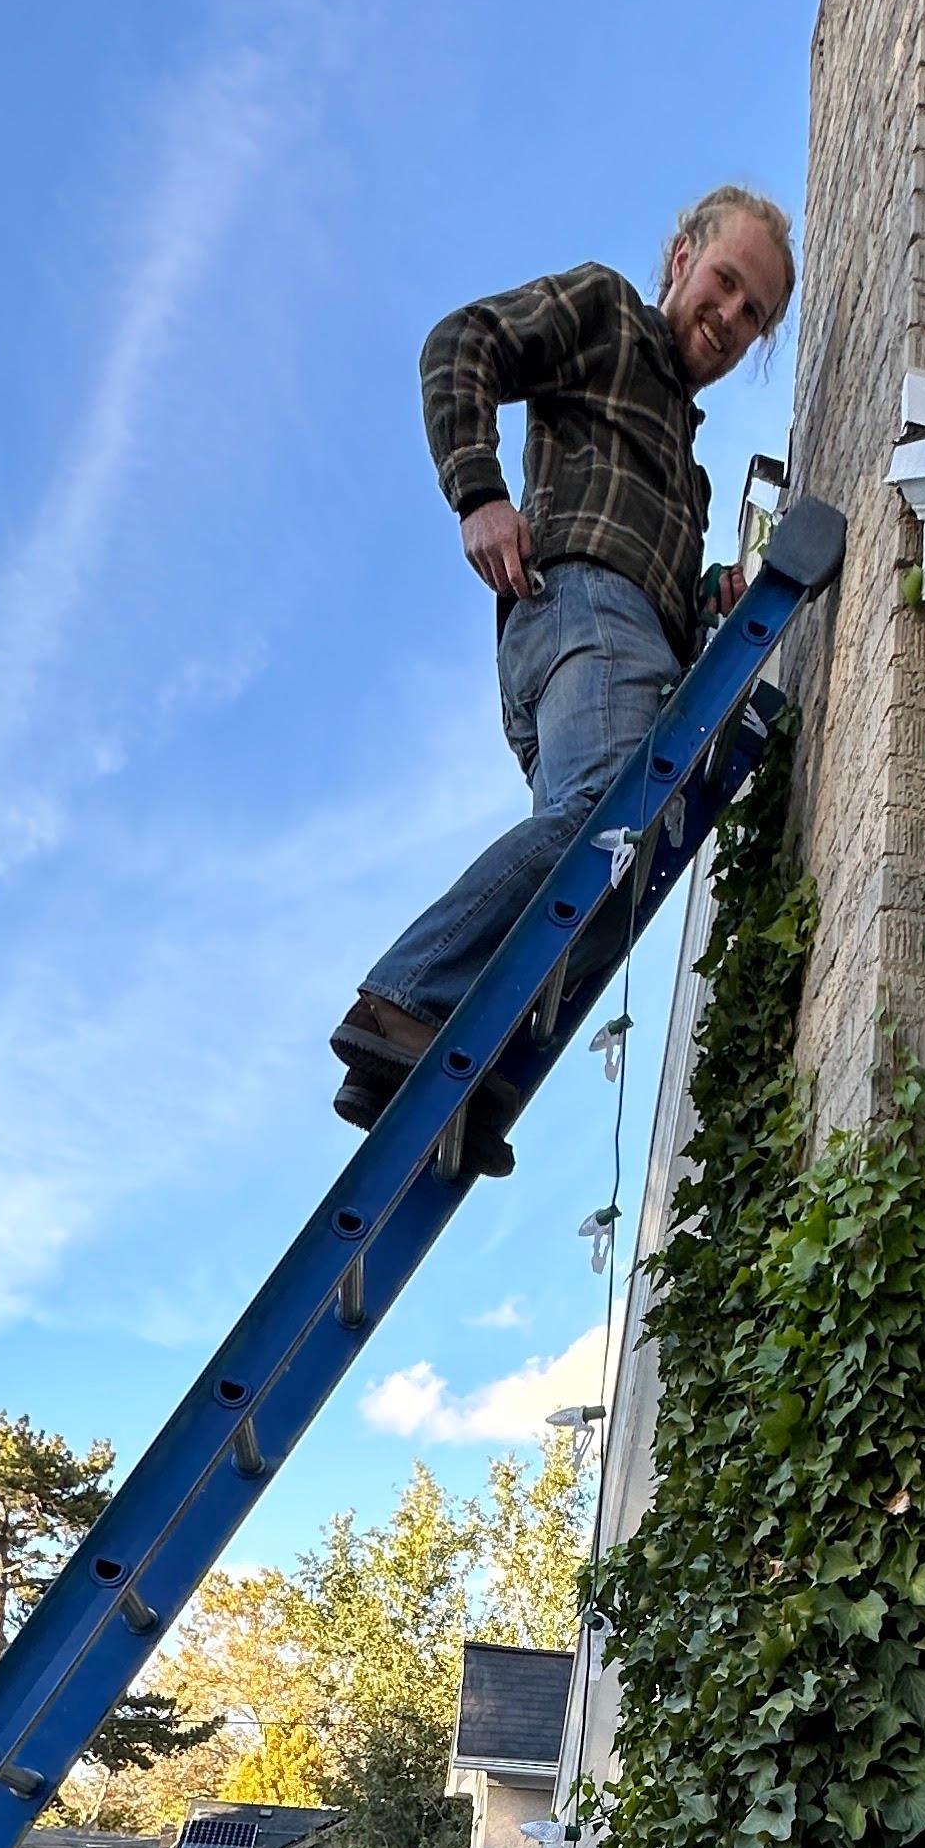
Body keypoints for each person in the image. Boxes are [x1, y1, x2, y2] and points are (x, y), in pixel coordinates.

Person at [329, 185, 796, 1166]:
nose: (729, 318)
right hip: (579, 609)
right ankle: (406, 999)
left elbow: (660, 584)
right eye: (725, 283)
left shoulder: (689, 466)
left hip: (616, 645)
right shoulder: (607, 313)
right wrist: (479, 493)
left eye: (754, 314)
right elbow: (461, 344)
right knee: (605, 819)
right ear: (681, 256)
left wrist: (720, 594)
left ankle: (438, 1062)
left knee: (614, 870)